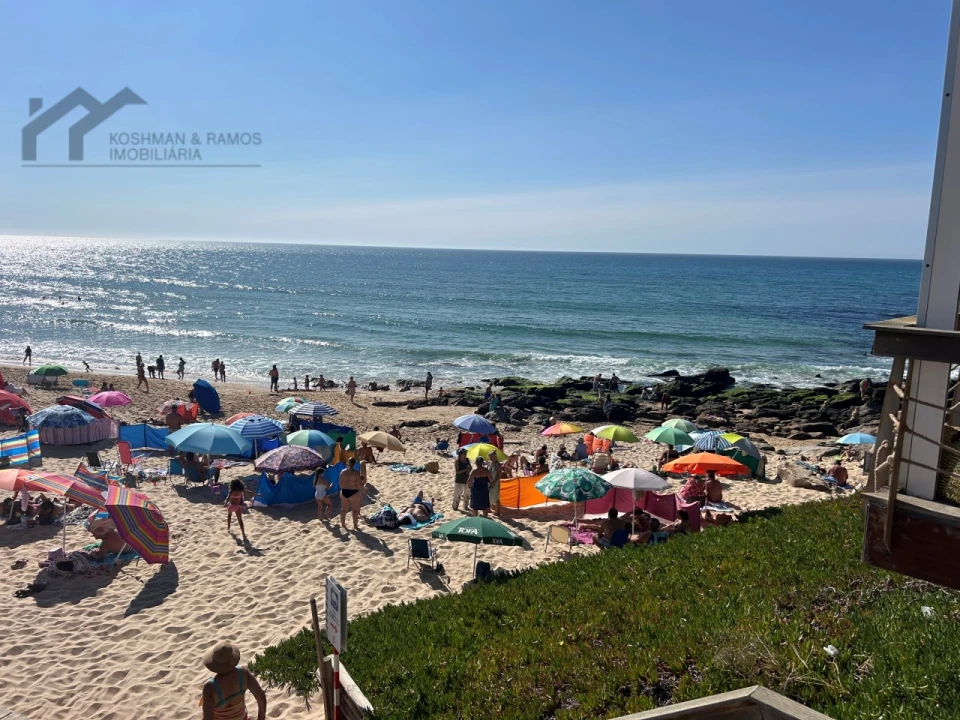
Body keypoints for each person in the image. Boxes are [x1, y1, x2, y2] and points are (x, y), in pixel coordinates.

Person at [200, 641, 267, 720]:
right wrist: (261, 718)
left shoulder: (210, 687)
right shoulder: (243, 674)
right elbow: (261, 696)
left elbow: (208, 717)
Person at [339, 457, 364, 530]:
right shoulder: (356, 473)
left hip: (344, 492)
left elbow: (340, 484)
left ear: (348, 463)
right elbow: (359, 485)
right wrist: (364, 491)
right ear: (354, 464)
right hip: (353, 492)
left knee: (343, 509)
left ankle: (343, 525)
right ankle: (355, 526)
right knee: (355, 511)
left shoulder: (342, 472)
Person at [487, 450, 502, 515]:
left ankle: (498, 511)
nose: (490, 457)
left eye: (491, 456)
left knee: (496, 497)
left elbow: (499, 476)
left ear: (495, 456)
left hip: (495, 483)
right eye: (489, 456)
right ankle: (489, 509)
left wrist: (493, 482)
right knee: (489, 496)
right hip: (489, 482)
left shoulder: (497, 465)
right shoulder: (490, 463)